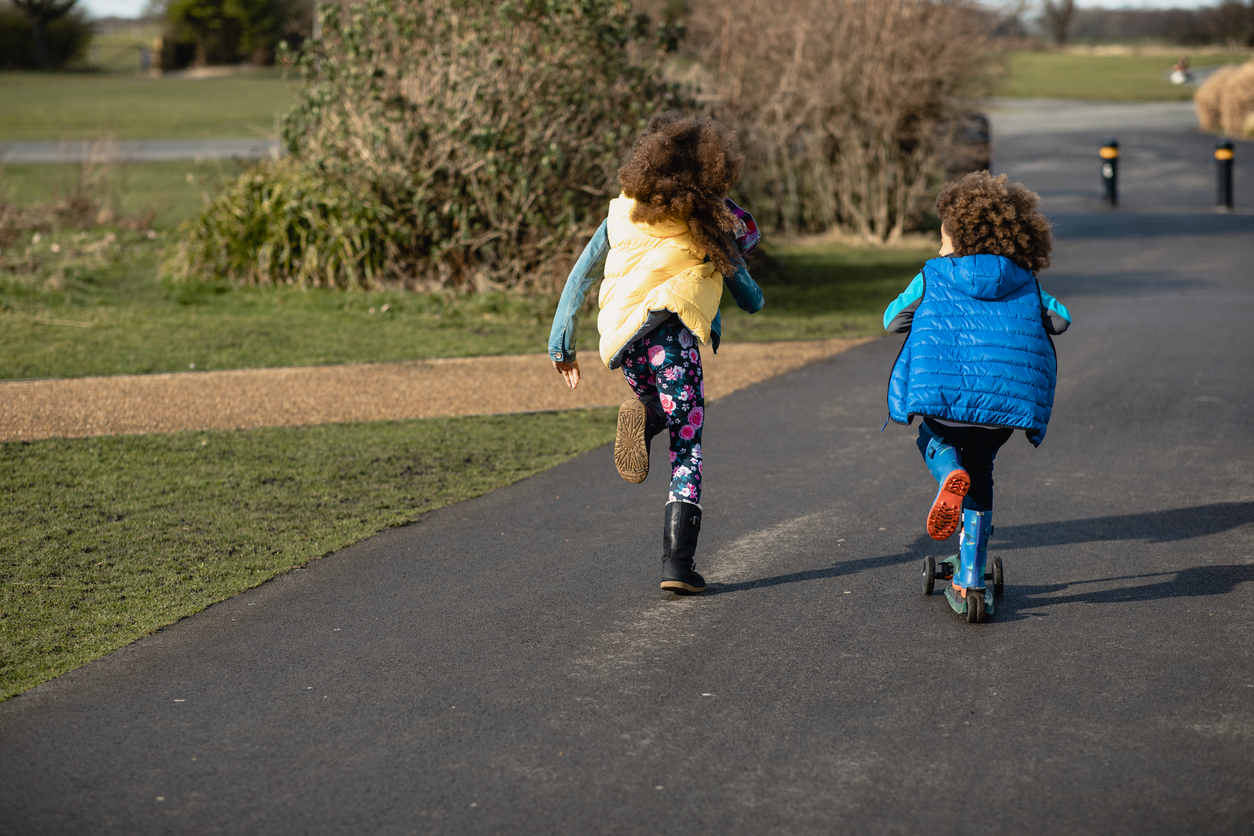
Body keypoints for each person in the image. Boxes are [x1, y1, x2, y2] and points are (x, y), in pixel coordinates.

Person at [548, 113, 765, 595]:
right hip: (674, 336)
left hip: (626, 341)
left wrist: (561, 342)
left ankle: (642, 417)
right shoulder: (707, 219)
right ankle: (678, 566)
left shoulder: (622, 210)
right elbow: (748, 296)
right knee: (687, 447)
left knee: (659, 406)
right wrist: (741, 274)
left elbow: (580, 276)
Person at [883, 171, 1071, 621]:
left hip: (944, 405)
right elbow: (1061, 321)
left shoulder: (932, 275)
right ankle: (970, 574)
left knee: (934, 439)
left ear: (956, 236)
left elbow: (892, 320)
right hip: (1001, 413)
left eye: (942, 235)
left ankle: (948, 471)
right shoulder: (1027, 280)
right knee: (982, 470)